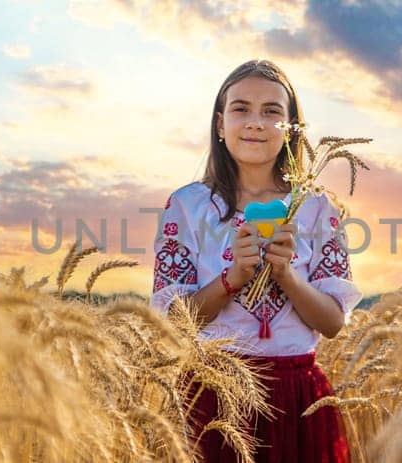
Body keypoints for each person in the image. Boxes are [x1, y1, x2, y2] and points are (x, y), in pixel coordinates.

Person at [148, 59, 362, 463]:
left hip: (297, 397)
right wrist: (232, 278)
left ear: (291, 126)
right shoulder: (187, 206)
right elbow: (173, 323)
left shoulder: (317, 208)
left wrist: (286, 276)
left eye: (272, 112)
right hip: (214, 395)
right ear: (219, 124)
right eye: (241, 108)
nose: (255, 122)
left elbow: (333, 323)